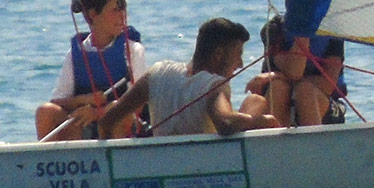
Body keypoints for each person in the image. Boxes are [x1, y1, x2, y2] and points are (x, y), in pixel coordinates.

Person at [98, 17, 280, 137]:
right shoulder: (214, 85)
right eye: (238, 54)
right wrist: (265, 121)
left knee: (254, 100)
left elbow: (107, 121)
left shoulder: (157, 72)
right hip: (203, 169)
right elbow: (226, 122)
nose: (240, 64)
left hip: (159, 163)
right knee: (257, 102)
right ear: (218, 54)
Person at [35, 0, 146, 141]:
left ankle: (116, 161)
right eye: (115, 10)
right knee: (45, 111)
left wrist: (96, 113)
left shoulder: (133, 50)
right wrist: (84, 101)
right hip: (82, 124)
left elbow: (137, 103)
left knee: (116, 110)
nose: (122, 16)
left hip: (119, 124)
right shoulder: (74, 55)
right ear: (93, 14)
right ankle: (60, 162)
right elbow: (58, 100)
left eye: (123, 9)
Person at [255, 15, 346, 127]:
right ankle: (278, 141)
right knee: (278, 87)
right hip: (281, 99)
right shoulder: (275, 28)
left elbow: (328, 85)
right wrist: (303, 35)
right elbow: (294, 71)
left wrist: (276, 75)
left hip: (322, 102)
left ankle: (315, 140)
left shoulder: (331, 32)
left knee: (305, 90)